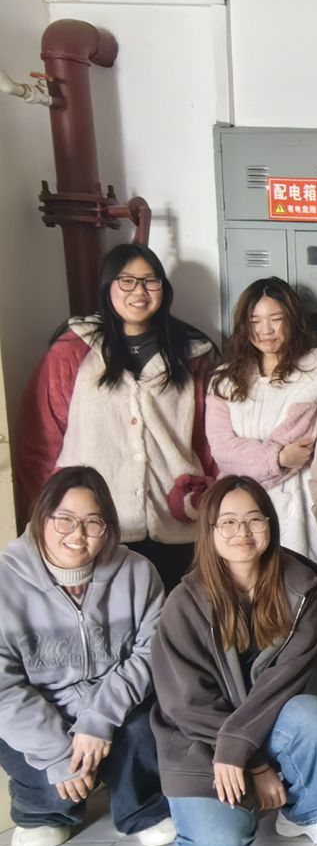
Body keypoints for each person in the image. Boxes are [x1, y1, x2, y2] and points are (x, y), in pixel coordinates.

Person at [150, 475, 317, 846]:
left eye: (253, 520)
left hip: (271, 721)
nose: (242, 532)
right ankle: (202, 805)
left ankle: (306, 810)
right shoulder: (184, 602)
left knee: (312, 715)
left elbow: (283, 684)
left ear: (270, 525)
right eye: (228, 522)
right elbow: (185, 704)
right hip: (203, 739)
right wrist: (255, 764)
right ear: (209, 531)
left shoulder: (304, 589)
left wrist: (247, 751)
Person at [15, 243, 216, 588]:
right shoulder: (73, 350)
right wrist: (52, 514)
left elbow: (207, 441)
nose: (139, 291)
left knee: (173, 613)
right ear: (107, 286)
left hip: (176, 521)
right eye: (127, 281)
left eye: (150, 281)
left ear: (164, 289)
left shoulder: (193, 353)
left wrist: (206, 500)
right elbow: (41, 439)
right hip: (94, 526)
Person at [0, 468, 175, 846]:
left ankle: (141, 808)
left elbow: (152, 651)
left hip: (113, 703)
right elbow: (3, 688)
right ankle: (42, 813)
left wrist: (98, 719)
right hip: (44, 709)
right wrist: (57, 755)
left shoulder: (137, 572)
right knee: (43, 772)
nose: (77, 534)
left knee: (148, 719)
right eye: (64, 519)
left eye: (92, 522)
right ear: (41, 517)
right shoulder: (5, 579)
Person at [205, 278, 317, 566]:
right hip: (239, 508)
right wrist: (277, 458)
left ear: (293, 320)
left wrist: (250, 461)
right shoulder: (223, 380)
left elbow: (299, 446)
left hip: (297, 507)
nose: (265, 330)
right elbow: (221, 450)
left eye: (275, 319)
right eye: (255, 321)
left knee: (298, 580)